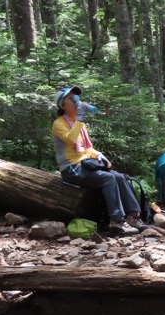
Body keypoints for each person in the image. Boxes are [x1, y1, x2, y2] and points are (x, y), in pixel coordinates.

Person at [51, 86, 145, 235]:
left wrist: (99, 155)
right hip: (71, 169)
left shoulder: (78, 123)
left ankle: (133, 216)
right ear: (62, 105)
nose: (76, 100)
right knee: (108, 178)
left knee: (119, 177)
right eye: (71, 98)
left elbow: (87, 148)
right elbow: (71, 139)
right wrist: (81, 117)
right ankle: (116, 222)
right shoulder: (59, 124)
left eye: (76, 96)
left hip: (84, 164)